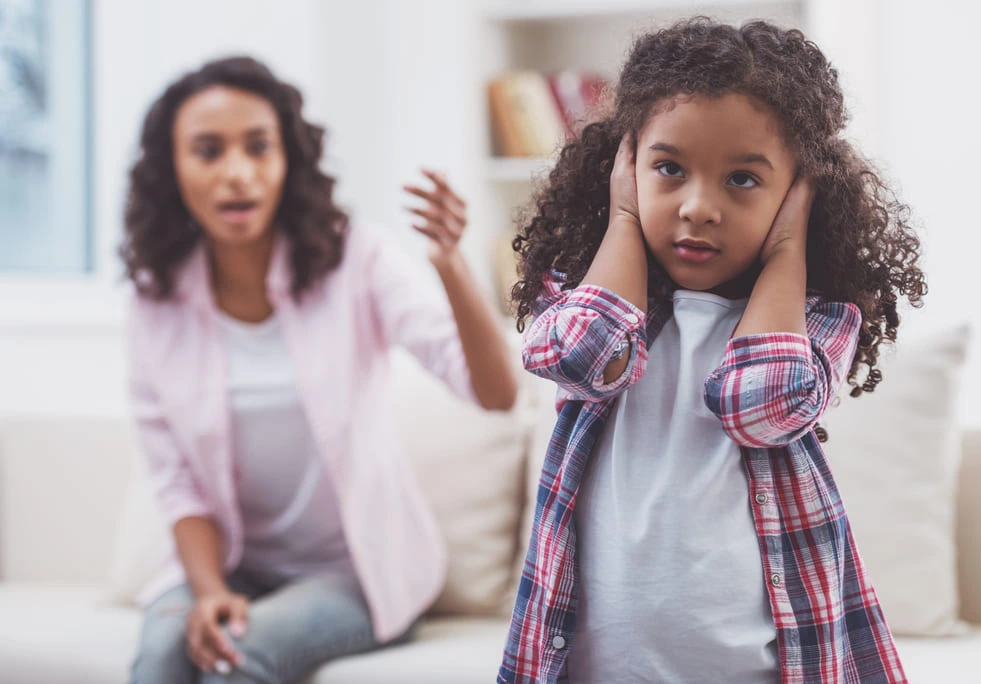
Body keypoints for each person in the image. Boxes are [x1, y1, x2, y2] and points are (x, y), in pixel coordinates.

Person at [500, 18, 926, 684]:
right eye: (668, 168)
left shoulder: (817, 317)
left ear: (801, 195)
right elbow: (581, 358)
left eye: (743, 181)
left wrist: (788, 253)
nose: (698, 206)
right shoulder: (590, 295)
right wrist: (622, 220)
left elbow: (761, 407)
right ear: (625, 163)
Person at [121, 56, 518, 683]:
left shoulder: (354, 259)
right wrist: (207, 591)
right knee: (160, 657)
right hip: (234, 565)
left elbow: (495, 394)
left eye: (258, 147)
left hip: (357, 572)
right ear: (173, 170)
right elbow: (176, 482)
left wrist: (450, 265)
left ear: (288, 159)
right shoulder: (156, 300)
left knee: (235, 656)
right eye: (208, 151)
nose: (237, 174)